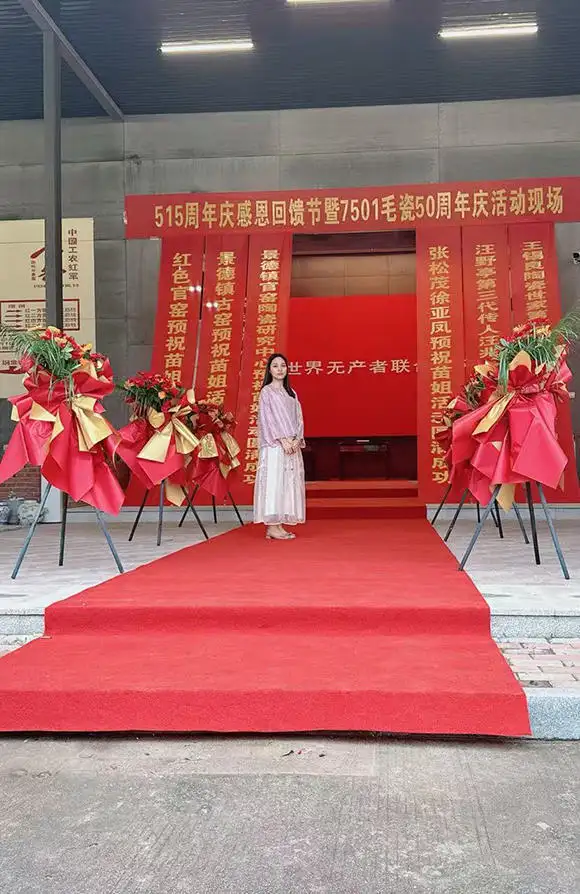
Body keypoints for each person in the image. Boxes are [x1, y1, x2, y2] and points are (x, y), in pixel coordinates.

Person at [253, 353, 306, 540]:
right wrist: (282, 440)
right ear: (269, 370)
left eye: (283, 365)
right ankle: (272, 526)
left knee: (287, 484)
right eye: (275, 366)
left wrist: (296, 439)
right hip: (275, 446)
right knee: (274, 484)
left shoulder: (291, 393)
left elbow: (299, 419)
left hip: (291, 446)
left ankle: (279, 525)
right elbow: (266, 420)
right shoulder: (266, 392)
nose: (279, 369)